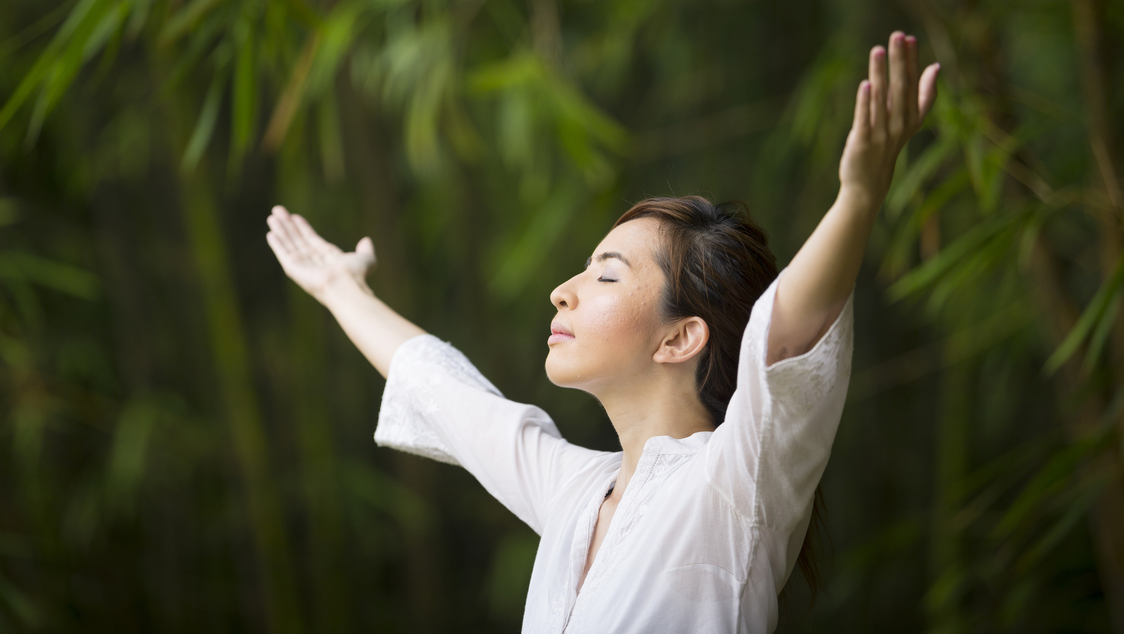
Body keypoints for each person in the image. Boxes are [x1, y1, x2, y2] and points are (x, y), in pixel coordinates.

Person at [265, 32, 940, 633]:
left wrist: (857, 199)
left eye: (606, 276)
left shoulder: (734, 485)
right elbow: (442, 390)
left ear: (680, 338)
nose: (563, 290)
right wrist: (338, 288)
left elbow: (787, 339)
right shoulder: (575, 493)